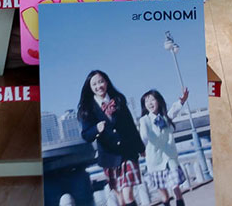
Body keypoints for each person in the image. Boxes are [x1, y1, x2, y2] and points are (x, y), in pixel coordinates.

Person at [77, 70, 144, 206]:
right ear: (90, 88)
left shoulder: (118, 100)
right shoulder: (88, 108)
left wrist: (141, 148)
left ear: (106, 82)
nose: (98, 86)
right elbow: (86, 135)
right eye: (94, 84)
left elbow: (130, 126)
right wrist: (96, 129)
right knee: (121, 200)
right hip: (109, 158)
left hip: (127, 153)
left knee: (128, 195)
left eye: (101, 81)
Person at [139, 89, 189, 206]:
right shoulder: (144, 120)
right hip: (155, 161)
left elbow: (174, 111)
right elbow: (143, 136)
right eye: (147, 101)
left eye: (152, 100)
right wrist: (141, 148)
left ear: (159, 101)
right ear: (144, 105)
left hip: (170, 157)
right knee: (164, 196)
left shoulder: (165, 118)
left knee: (176, 189)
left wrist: (181, 102)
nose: (150, 103)